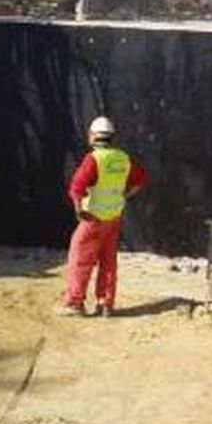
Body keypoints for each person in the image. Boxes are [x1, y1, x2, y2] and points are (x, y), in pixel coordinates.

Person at [60, 115, 148, 317]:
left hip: (93, 217)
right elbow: (140, 179)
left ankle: (75, 303)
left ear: (92, 137)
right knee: (108, 261)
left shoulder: (94, 159)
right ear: (112, 137)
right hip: (113, 218)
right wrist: (124, 195)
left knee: (79, 258)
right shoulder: (122, 158)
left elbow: (77, 187)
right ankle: (105, 304)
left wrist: (78, 209)